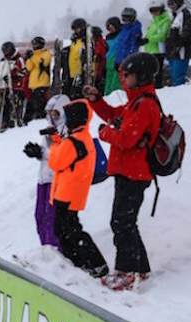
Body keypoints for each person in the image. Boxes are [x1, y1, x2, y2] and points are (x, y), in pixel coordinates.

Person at [84, 53, 162, 290]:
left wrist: (104, 132)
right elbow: (113, 115)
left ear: (141, 76)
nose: (123, 79)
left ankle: (126, 271)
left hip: (134, 173)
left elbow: (127, 139)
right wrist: (97, 100)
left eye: (127, 75)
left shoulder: (145, 104)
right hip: (129, 171)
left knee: (121, 223)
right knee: (126, 221)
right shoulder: (135, 102)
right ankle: (140, 267)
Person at [46, 100, 109, 278]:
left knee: (68, 230)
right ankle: (78, 261)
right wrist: (59, 140)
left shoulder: (74, 141)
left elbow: (56, 162)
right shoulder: (81, 137)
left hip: (67, 192)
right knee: (68, 228)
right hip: (72, 191)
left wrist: (55, 143)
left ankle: (92, 263)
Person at [22, 95, 71, 249]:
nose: (51, 117)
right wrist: (37, 152)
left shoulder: (66, 130)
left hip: (56, 180)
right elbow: (49, 153)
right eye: (49, 113)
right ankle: (45, 249)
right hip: (44, 178)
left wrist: (42, 153)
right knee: (40, 216)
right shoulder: (50, 130)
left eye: (55, 113)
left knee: (51, 218)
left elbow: (63, 155)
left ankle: (54, 249)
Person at [0, 42, 27, 128]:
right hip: (4, 87)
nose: (5, 52)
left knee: (14, 105)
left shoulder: (18, 59)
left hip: (15, 87)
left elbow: (23, 72)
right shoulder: (2, 60)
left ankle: (16, 122)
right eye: (4, 50)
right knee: (4, 106)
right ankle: (5, 122)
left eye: (7, 50)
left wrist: (12, 75)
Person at [143, 2, 172, 88]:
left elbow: (162, 36)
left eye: (156, 10)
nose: (154, 12)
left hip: (159, 50)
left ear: (162, 9)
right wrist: (144, 40)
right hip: (150, 50)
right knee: (151, 72)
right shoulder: (154, 21)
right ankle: (153, 88)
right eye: (151, 10)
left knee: (157, 73)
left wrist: (148, 39)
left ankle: (158, 89)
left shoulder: (166, 20)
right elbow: (149, 34)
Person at [25, 37, 53, 122]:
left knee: (39, 105)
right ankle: (29, 121)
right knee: (31, 105)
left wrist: (32, 57)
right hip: (33, 84)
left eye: (36, 44)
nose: (34, 46)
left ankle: (40, 119)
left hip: (42, 83)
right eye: (33, 44)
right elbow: (29, 67)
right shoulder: (34, 55)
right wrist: (29, 58)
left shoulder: (46, 53)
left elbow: (41, 63)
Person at [167, 0, 191, 86]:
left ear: (179, 3)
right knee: (174, 77)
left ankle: (180, 96)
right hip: (174, 51)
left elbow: (187, 33)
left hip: (181, 51)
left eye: (173, 4)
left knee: (178, 78)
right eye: (169, 4)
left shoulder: (185, 14)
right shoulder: (176, 15)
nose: (171, 7)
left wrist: (178, 45)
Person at [64, 19, 88, 99]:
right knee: (71, 95)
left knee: (79, 95)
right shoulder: (74, 41)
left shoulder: (86, 40)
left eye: (77, 28)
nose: (75, 31)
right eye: (74, 29)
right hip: (72, 72)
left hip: (81, 72)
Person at [105, 17, 125, 94]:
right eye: (108, 27)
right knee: (108, 85)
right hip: (109, 62)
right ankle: (107, 97)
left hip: (118, 62)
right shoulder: (108, 37)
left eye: (111, 27)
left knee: (115, 85)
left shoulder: (122, 35)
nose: (110, 29)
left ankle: (116, 98)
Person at [92, 27, 109, 92]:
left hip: (100, 68)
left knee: (98, 85)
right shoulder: (101, 42)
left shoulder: (100, 43)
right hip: (101, 67)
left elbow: (99, 56)